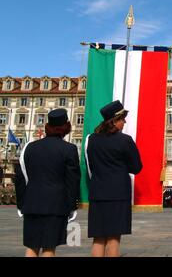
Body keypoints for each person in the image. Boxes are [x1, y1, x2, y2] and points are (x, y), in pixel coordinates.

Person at [15, 108, 80, 257]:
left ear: (48, 126)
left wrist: (21, 203)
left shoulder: (30, 147)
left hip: (32, 204)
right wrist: (72, 206)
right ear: (66, 127)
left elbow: (20, 177)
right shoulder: (69, 149)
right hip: (56, 206)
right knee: (49, 248)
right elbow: (73, 181)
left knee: (32, 246)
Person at [85, 100, 143, 257]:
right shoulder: (125, 140)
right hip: (118, 194)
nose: (124, 122)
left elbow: (90, 166)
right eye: (123, 119)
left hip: (98, 193)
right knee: (113, 238)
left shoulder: (91, 140)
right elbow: (137, 167)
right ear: (115, 120)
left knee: (98, 238)